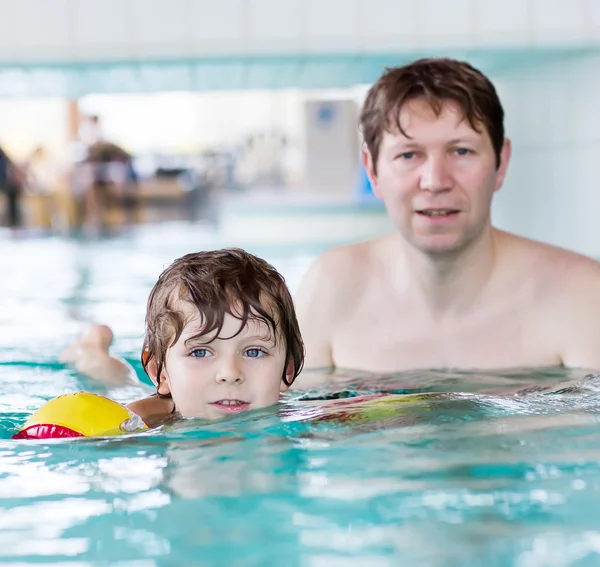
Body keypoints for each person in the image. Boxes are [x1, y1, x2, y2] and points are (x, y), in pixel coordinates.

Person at [295, 57, 600, 373]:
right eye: (409, 155)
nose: (436, 181)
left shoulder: (581, 296)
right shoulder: (332, 289)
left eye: (461, 151)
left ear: (501, 162)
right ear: (372, 171)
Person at [61, 248, 304, 426]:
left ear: (288, 369)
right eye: (200, 352)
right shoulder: (142, 420)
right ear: (160, 372)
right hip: (151, 399)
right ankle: (92, 347)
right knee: (115, 379)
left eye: (254, 352)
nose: (230, 373)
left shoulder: (299, 417)